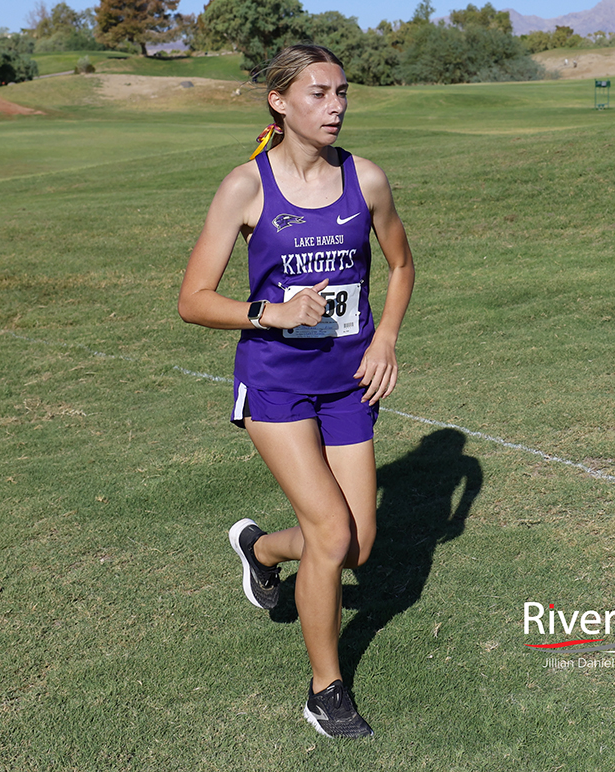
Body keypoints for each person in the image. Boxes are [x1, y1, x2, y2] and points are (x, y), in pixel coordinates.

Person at [178, 43, 415, 739]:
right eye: (318, 93)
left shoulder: (365, 180)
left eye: (342, 91)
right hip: (275, 384)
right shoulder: (245, 187)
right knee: (331, 530)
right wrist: (269, 313)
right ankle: (325, 689)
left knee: (356, 548)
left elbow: (400, 265)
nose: (336, 105)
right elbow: (192, 299)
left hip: (348, 384)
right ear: (280, 103)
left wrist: (384, 339)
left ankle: (261, 551)